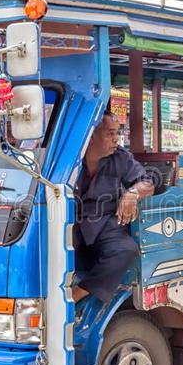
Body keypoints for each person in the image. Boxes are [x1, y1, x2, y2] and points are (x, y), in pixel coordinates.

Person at [72, 112, 154, 304]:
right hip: (70, 220)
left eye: (117, 133)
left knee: (126, 250)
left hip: (104, 222)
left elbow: (147, 183)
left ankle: (81, 291)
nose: (116, 139)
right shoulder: (70, 156)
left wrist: (132, 193)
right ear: (91, 135)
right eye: (110, 134)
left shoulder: (121, 157)